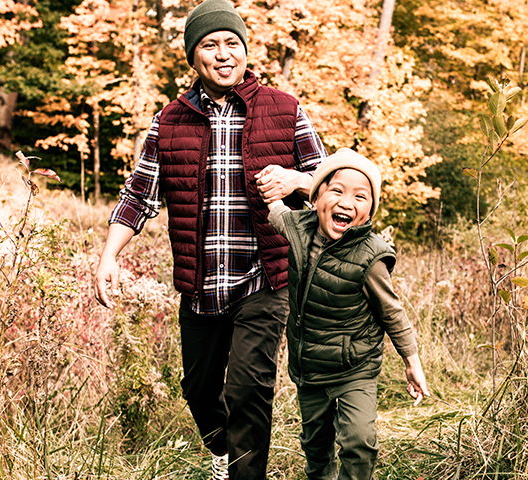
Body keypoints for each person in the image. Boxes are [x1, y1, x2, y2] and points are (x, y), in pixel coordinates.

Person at [92, 0, 327, 478]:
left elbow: (331, 180)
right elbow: (140, 194)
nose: (223, 54)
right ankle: (221, 451)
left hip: (265, 276)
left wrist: (295, 182)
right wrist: (109, 257)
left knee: (248, 388)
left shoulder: (284, 109)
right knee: (199, 391)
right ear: (193, 57)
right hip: (200, 285)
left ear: (245, 51)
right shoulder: (170, 121)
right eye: (210, 45)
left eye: (232, 44)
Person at [259, 148, 430, 480]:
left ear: (369, 212)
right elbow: (278, 213)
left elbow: (392, 313)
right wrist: (269, 185)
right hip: (309, 366)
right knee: (316, 446)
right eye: (336, 190)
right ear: (317, 196)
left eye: (360, 197)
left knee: (359, 440)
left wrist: (412, 362)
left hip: (356, 368)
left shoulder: (371, 258)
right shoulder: (300, 228)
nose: (347, 202)